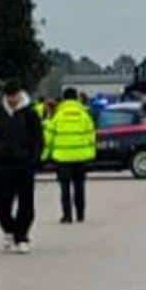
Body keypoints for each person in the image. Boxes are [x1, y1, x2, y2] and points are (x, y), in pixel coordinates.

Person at [0, 81, 43, 253]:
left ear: (20, 94)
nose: (12, 100)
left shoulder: (30, 113)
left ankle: (22, 236)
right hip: (2, 165)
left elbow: (38, 139)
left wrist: (33, 160)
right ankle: (9, 229)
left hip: (24, 164)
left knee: (26, 204)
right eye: (9, 96)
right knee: (2, 203)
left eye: (15, 96)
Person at [45, 88, 97, 223]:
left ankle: (67, 215)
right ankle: (80, 214)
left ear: (64, 99)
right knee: (79, 187)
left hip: (62, 158)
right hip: (80, 157)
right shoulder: (84, 116)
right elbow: (91, 137)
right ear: (76, 99)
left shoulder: (58, 116)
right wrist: (91, 154)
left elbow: (49, 138)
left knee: (65, 188)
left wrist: (44, 155)